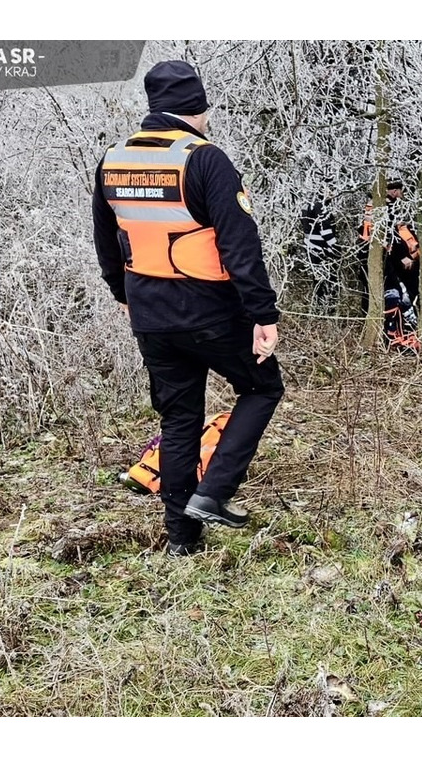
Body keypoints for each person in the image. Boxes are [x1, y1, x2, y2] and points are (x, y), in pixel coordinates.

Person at [92, 60, 284, 557]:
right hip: (211, 311)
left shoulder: (113, 159)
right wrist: (263, 314)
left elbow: (108, 243)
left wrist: (124, 296)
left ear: (154, 108)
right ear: (198, 109)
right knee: (262, 387)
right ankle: (214, 493)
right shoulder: (205, 159)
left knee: (179, 421)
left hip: (151, 314)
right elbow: (240, 243)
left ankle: (181, 540)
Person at [299, 198, 341, 314]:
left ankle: (319, 310)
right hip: (323, 249)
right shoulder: (319, 205)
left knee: (318, 280)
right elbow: (324, 228)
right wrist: (335, 246)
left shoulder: (307, 203)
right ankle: (329, 311)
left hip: (311, 247)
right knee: (330, 281)